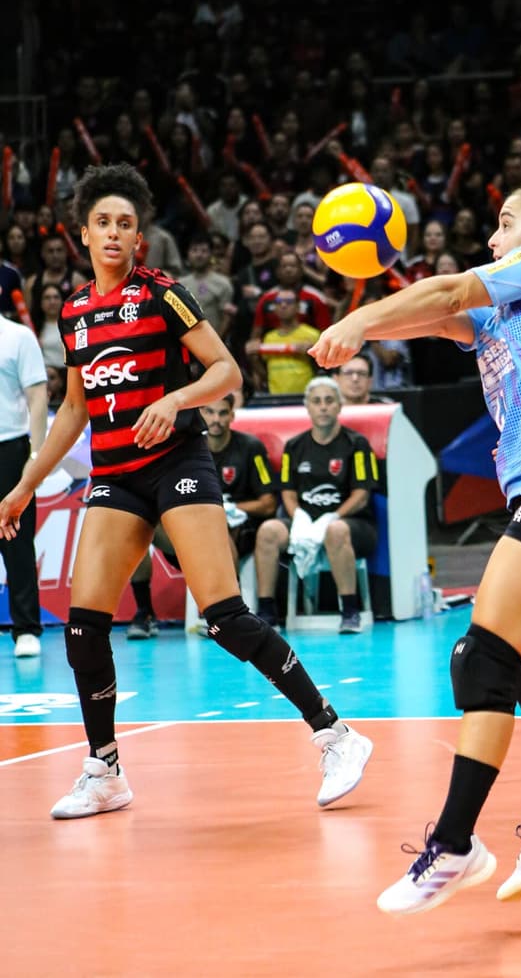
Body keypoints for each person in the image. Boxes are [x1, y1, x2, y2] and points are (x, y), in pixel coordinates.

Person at [309, 185, 521, 912]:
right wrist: (368, 317)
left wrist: (360, 318)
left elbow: (451, 286)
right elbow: (441, 311)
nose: (494, 238)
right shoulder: (505, 312)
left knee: (483, 659)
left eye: (505, 224)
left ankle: (456, 844)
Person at [0, 163, 372, 818]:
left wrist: (175, 399)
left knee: (225, 617)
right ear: (82, 232)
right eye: (103, 223)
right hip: (115, 476)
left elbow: (226, 370)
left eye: (126, 224)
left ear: (138, 236)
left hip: (177, 462)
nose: (115, 234)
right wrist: (24, 486)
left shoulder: (162, 293)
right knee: (83, 626)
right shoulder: (76, 311)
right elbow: (73, 411)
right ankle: (105, 769)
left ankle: (335, 733)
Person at [125, 393, 278, 639]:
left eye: (222, 413)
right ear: (199, 414)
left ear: (232, 416)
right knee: (138, 528)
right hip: (187, 536)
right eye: (209, 412)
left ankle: (229, 617)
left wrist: (232, 508)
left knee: (217, 532)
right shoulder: (182, 450)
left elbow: (269, 503)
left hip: (239, 534)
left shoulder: (251, 448)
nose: (216, 419)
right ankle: (144, 613)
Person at [253, 376, 379, 636]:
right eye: (317, 401)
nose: (323, 407)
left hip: (353, 524)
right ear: (308, 407)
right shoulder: (294, 446)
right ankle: (266, 611)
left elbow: (361, 496)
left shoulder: (357, 445)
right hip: (304, 520)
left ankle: (350, 610)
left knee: (335, 531)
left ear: (339, 406)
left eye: (329, 401)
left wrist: (331, 517)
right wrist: (297, 516)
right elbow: (287, 491)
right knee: (268, 531)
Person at [0, 309, 47, 657]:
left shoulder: (18, 337)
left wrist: (37, 455)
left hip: (10, 448)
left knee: (16, 539)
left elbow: (37, 396)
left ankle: (26, 629)